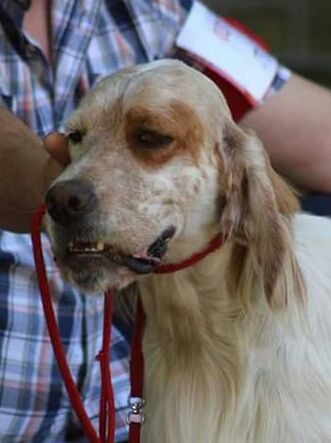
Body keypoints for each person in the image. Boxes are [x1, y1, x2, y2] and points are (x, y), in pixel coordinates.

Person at [0, 1, 330, 442]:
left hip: (126, 412)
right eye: (77, 139)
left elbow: (322, 138)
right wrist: (57, 179)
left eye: (150, 138)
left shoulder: (149, 11)